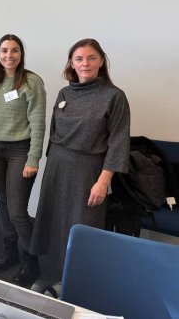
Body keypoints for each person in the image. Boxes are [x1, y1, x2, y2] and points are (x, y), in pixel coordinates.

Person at [30, 38, 130, 281]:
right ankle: (52, 276)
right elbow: (54, 133)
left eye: (91, 58)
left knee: (81, 226)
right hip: (57, 167)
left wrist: (103, 181)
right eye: (79, 59)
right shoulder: (65, 93)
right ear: (71, 64)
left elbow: (118, 142)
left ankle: (79, 282)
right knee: (53, 222)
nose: (85, 63)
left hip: (88, 171)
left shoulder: (114, 96)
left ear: (101, 61)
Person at [0, 34, 46, 285]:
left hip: (20, 151)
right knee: (3, 202)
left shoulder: (32, 82)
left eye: (14, 50)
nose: (9, 55)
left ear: (21, 54)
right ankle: (10, 252)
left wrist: (33, 158)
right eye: (4, 50)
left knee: (18, 211)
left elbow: (38, 123)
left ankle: (31, 262)